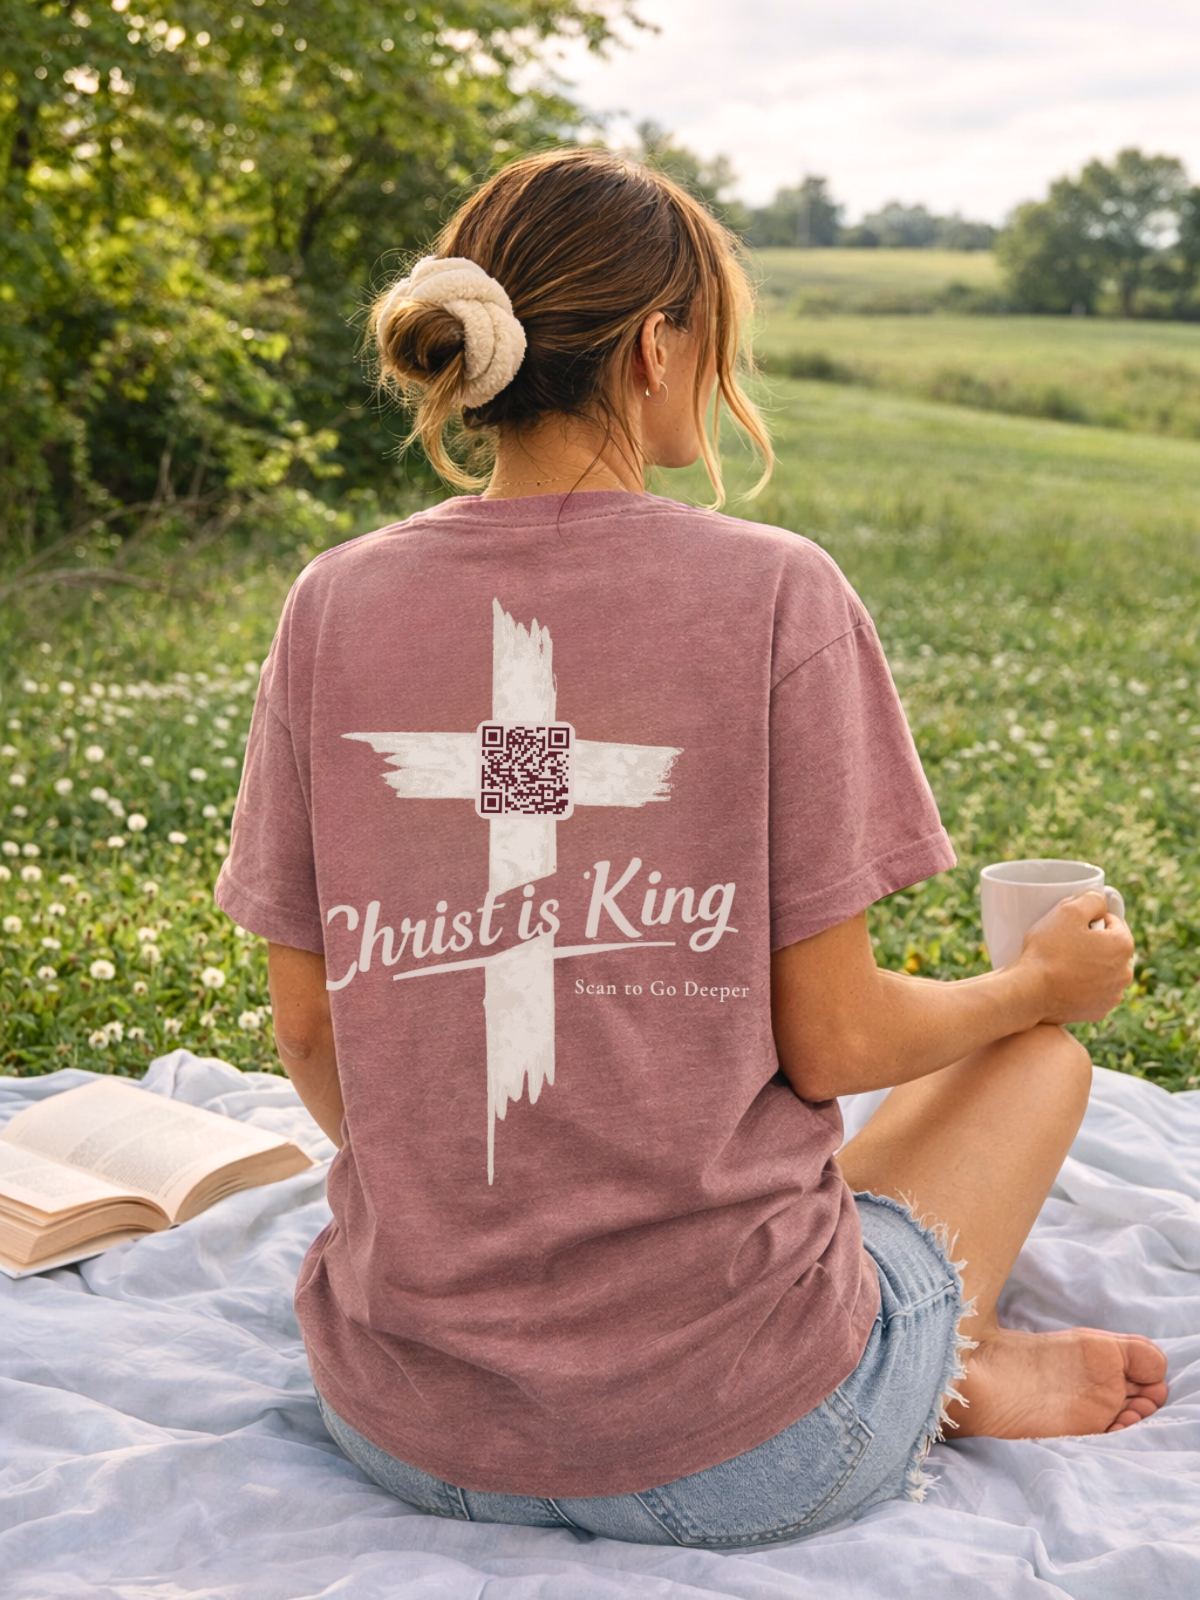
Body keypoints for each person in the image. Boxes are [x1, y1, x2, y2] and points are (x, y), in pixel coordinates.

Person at [214, 148, 1168, 1548]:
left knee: (761, 1194)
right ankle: (941, 1371)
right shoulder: (776, 594)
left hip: (405, 1424)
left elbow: (310, 1032)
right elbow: (833, 1042)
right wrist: (1037, 989)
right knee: (1034, 1065)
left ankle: (907, 1353)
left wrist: (503, 1207)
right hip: (751, 1444)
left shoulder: (333, 605)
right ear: (657, 348)